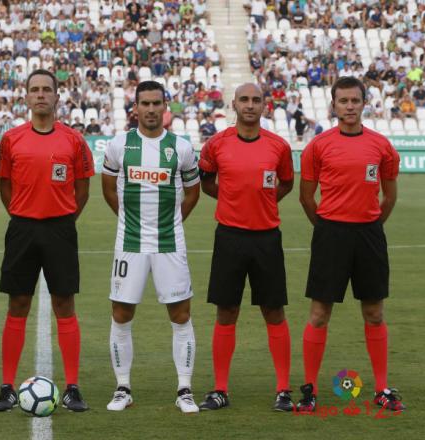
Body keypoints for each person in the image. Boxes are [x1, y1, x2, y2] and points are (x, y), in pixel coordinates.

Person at [297, 77, 405, 413]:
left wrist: (370, 225)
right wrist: (329, 227)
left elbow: (389, 196)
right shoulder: (319, 145)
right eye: (342, 101)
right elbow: (306, 197)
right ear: (333, 105)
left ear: (364, 103)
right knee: (319, 314)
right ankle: (310, 390)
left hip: (369, 234)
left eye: (355, 100)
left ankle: (382, 388)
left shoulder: (382, 146)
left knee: (374, 313)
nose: (349, 106)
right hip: (331, 233)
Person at [0, 69, 94, 412]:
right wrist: (21, 213)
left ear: (56, 97)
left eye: (46, 90)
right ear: (26, 97)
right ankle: (7, 385)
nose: (40, 95)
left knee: (64, 304)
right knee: (17, 304)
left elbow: (82, 188)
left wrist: (64, 218)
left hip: (60, 229)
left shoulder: (74, 140)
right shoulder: (11, 139)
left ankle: (72, 386)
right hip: (22, 228)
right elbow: (4, 185)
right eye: (34, 90)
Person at [101, 80, 201, 413]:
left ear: (165, 107)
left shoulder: (182, 148)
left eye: (157, 103)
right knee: (121, 313)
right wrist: (130, 222)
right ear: (136, 109)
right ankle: (123, 387)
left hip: (169, 242)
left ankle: (184, 389)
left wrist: (169, 223)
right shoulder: (118, 145)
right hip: (129, 243)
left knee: (180, 314)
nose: (151, 109)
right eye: (145, 103)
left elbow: (193, 193)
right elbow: (108, 190)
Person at [197, 83, 295, 411]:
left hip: (267, 237)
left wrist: (265, 202)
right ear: (234, 104)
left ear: (264, 105)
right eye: (244, 100)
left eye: (255, 100)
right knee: (227, 311)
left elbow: (286, 182)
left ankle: (283, 390)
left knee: (273, 311)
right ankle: (219, 389)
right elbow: (206, 179)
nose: (250, 105)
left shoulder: (278, 147)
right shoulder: (217, 144)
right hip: (230, 237)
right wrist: (229, 199)